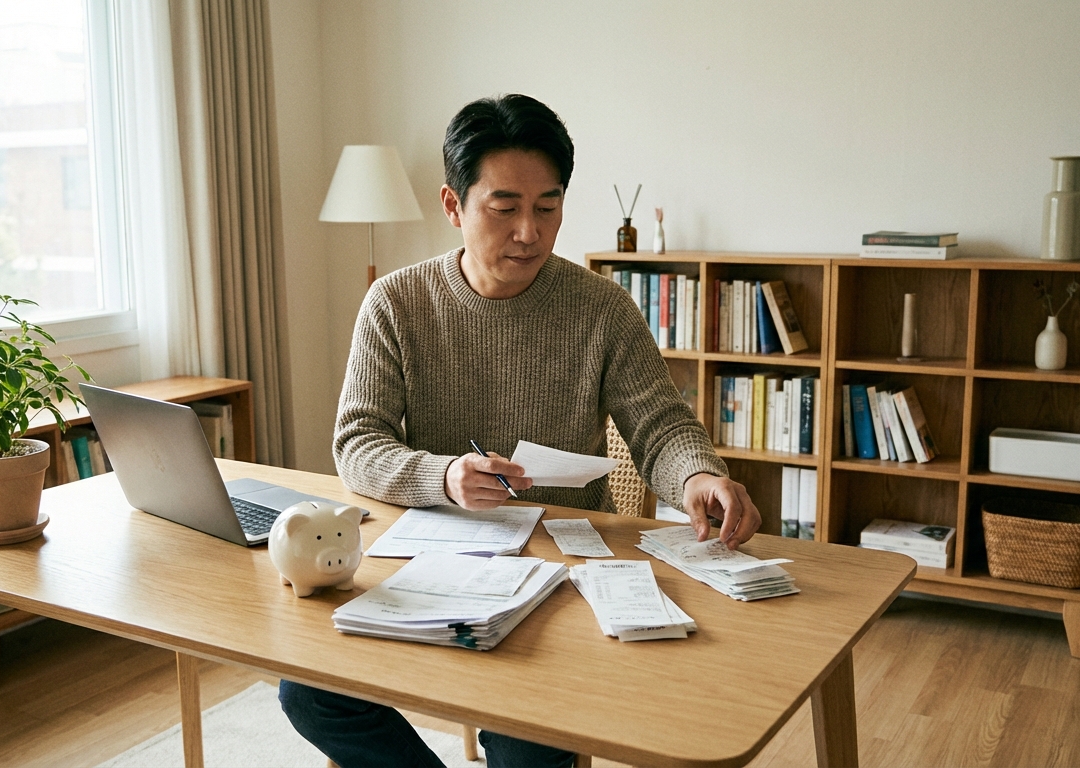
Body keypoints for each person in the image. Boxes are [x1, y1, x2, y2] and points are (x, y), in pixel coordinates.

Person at [279, 94, 760, 768]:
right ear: (453, 206)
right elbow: (358, 444)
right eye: (504, 209)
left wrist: (700, 476)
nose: (529, 232)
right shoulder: (396, 302)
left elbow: (660, 426)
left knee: (528, 742)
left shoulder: (602, 310)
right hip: (431, 563)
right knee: (309, 692)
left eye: (548, 207)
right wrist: (442, 476)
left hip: (561, 575)